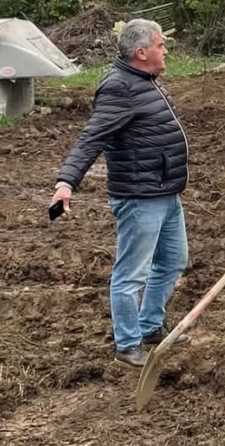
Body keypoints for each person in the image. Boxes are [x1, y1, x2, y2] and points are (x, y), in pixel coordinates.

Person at [50, 19, 190, 368]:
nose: (166, 50)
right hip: (140, 197)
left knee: (172, 262)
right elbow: (91, 138)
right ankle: (128, 344)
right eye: (161, 45)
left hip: (166, 192)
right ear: (142, 52)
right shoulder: (119, 88)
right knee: (130, 275)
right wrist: (66, 181)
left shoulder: (145, 81)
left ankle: (150, 325)